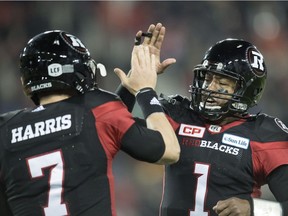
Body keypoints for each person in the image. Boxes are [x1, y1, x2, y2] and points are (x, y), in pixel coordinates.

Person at [0, 29, 180, 216]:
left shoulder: (5, 129)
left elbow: (94, 133)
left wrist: (128, 88)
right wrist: (145, 90)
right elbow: (169, 150)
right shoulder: (97, 109)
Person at [117, 23, 288, 216]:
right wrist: (136, 78)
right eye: (207, 79)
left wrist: (254, 208)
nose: (210, 88)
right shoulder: (179, 114)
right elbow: (114, 128)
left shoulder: (265, 134)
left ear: (247, 91)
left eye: (222, 82)